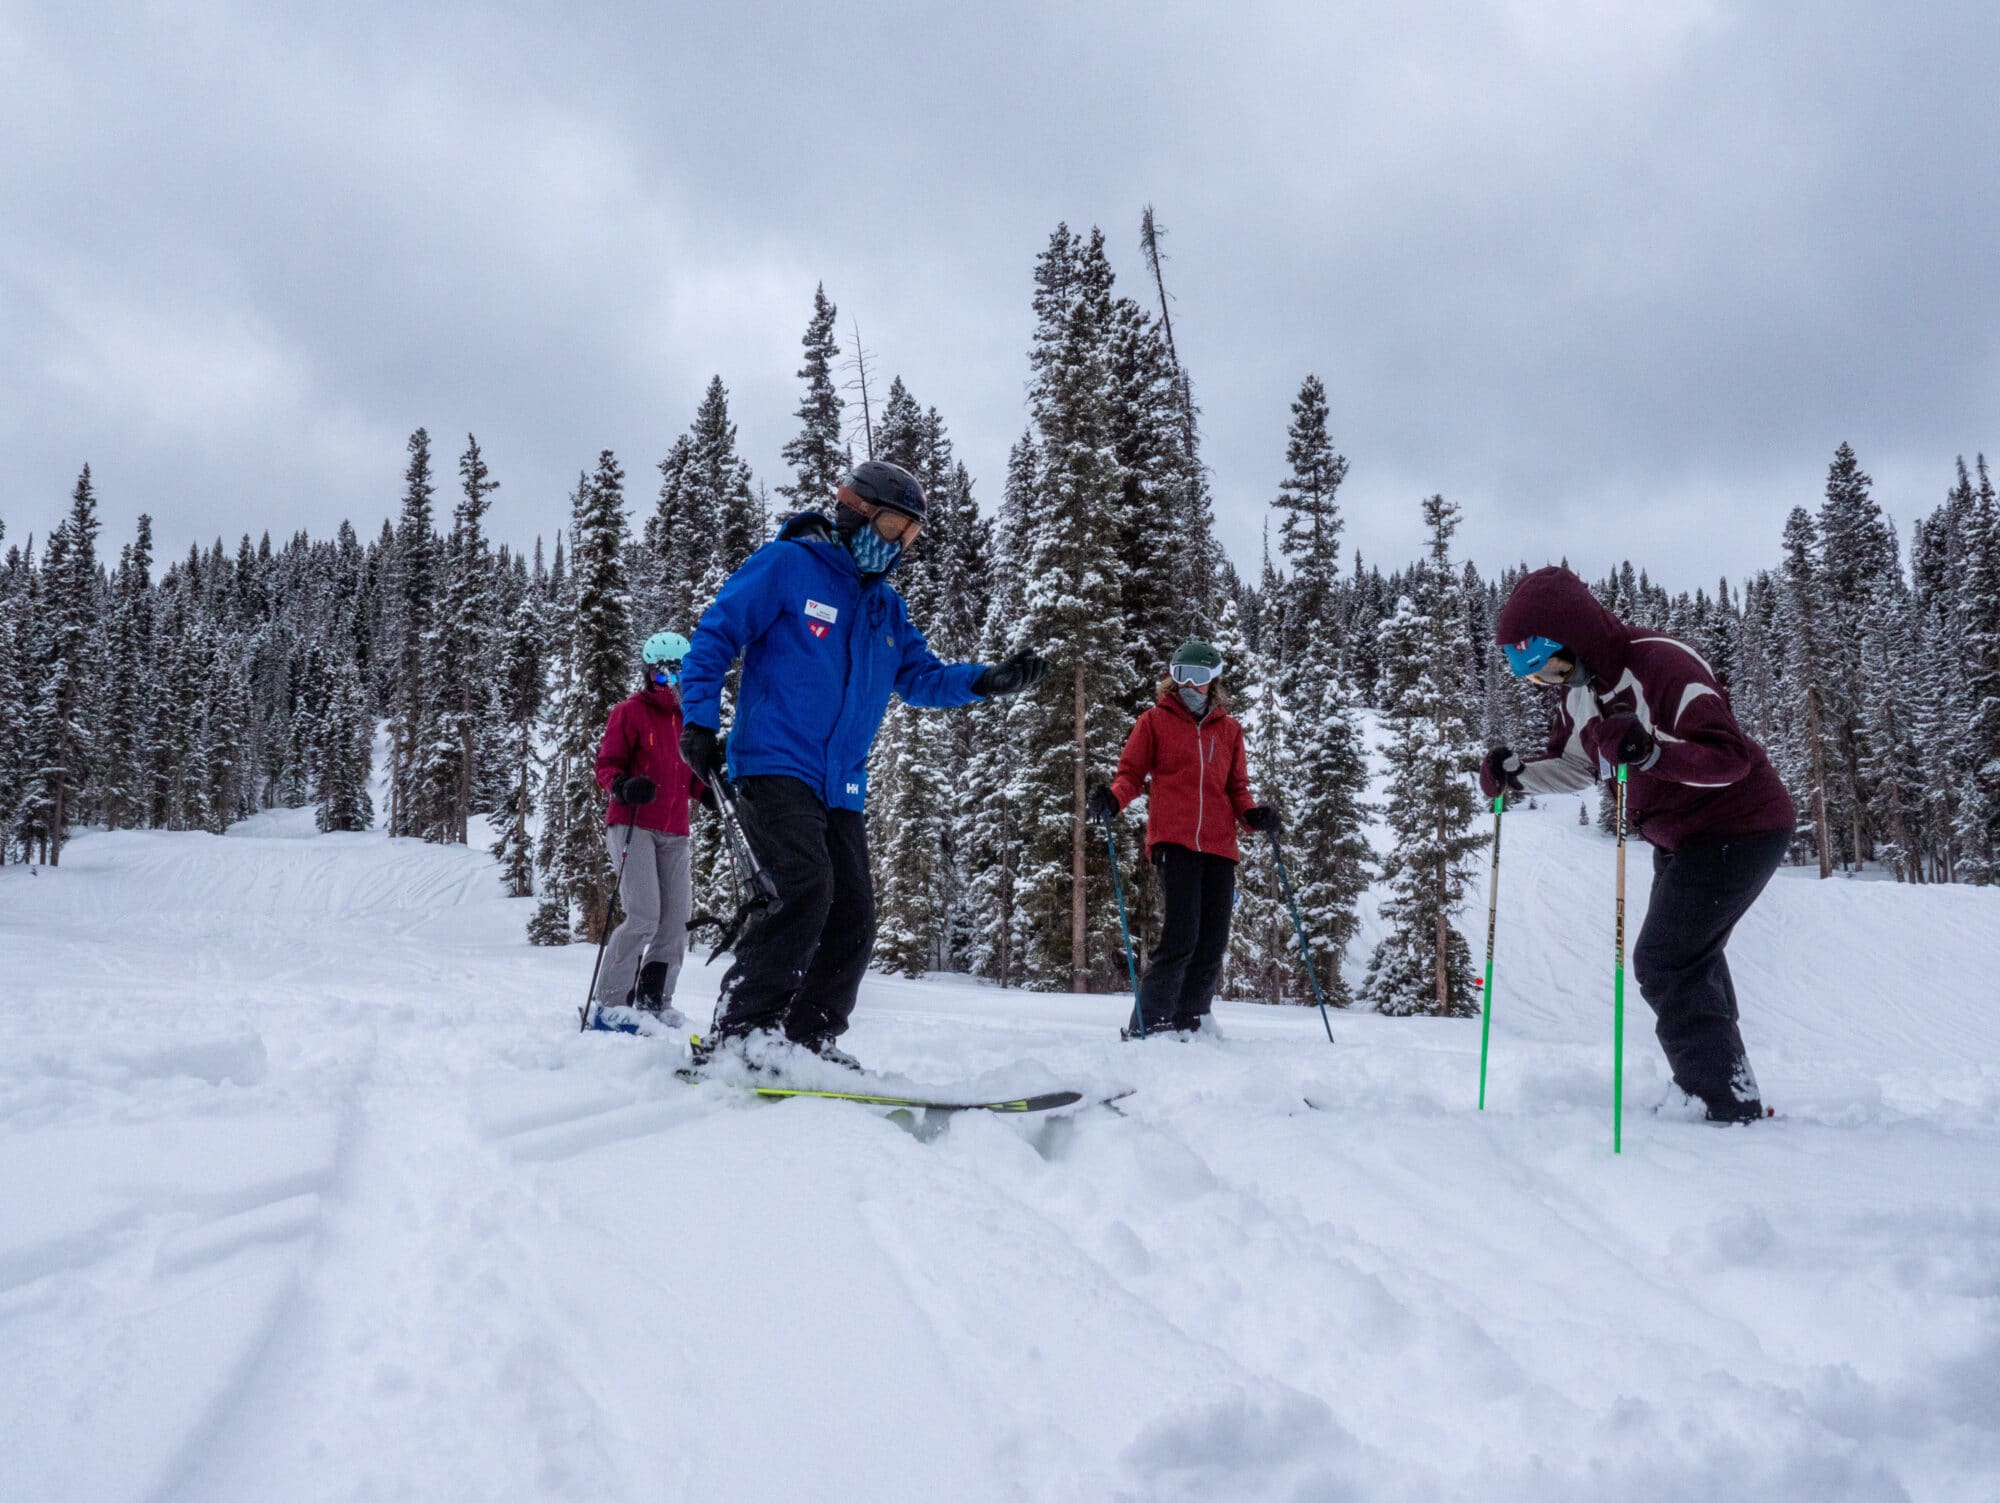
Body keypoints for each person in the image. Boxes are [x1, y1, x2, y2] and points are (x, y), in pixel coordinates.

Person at [677, 460, 1047, 1072]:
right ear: (854, 512)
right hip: (772, 763)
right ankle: (741, 1033)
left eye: (911, 536)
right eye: (894, 525)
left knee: (854, 913)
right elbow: (717, 634)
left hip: (840, 784)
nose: (900, 544)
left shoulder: (885, 609)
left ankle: (807, 1039)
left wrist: (985, 680)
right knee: (802, 886)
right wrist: (698, 721)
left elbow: (923, 678)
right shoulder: (788, 565)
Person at [1484, 565, 1795, 1123]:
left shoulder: (1662, 663)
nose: (1551, 683)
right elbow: (1578, 766)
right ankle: (1723, 1087)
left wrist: (1651, 752)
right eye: (1534, 680)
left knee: (1666, 960)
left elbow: (1729, 758)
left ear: (1575, 638)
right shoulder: (1580, 694)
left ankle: (1721, 1101)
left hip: (1740, 823)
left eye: (1552, 667)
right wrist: (1516, 775)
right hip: (1681, 837)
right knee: (1689, 959)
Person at [1087, 639, 1281, 1038]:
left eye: (1199, 676)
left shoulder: (1228, 730)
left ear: (1214, 680)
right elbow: (1131, 775)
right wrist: (1113, 798)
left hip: (1220, 847)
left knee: (1212, 941)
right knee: (1182, 937)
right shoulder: (1153, 722)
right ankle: (1150, 1024)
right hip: (1174, 842)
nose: (1190, 685)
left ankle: (1192, 1021)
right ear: (1171, 680)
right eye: (1181, 676)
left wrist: (1253, 816)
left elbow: (1237, 789)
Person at [592, 630, 705, 1026]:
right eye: (662, 676)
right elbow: (606, 765)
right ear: (647, 674)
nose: (670, 684)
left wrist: (710, 792)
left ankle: (654, 1001)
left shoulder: (691, 719)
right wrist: (622, 785)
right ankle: (608, 1005)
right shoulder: (629, 711)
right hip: (633, 823)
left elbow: (690, 777)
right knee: (644, 915)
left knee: (675, 923)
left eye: (677, 676)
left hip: (675, 831)